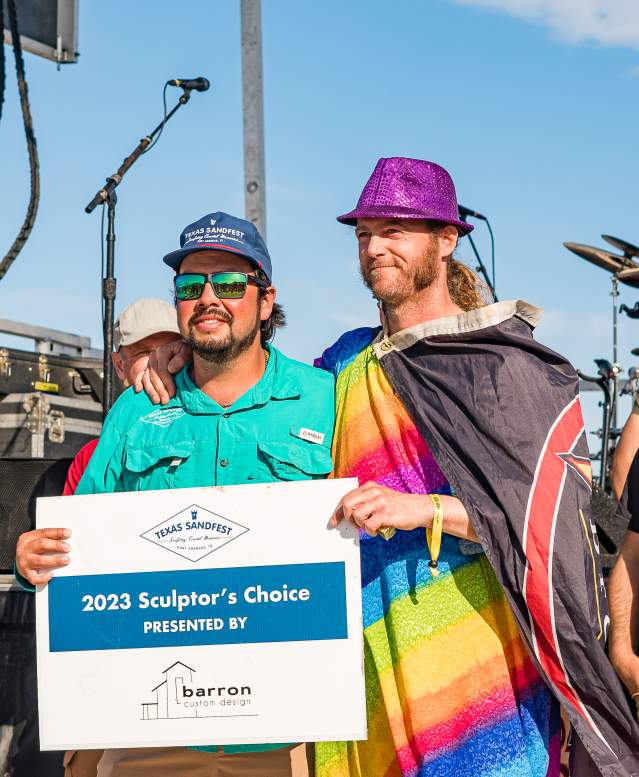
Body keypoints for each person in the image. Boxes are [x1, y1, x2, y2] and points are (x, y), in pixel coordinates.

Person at [139, 160, 639, 775]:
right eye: (363, 234)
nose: (375, 248)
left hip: (482, 679)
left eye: (396, 231)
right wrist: (182, 352)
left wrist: (425, 508)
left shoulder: (504, 367)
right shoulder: (346, 360)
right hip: (365, 671)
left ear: (447, 239)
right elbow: (258, 384)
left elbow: (561, 523)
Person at [15, 211, 334, 777]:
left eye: (230, 284)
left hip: (288, 736)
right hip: (144, 732)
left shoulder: (326, 399)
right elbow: (76, 543)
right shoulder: (135, 411)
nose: (208, 297)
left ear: (265, 300)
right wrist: (33, 558)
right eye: (191, 286)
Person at [63, 298, 182, 496]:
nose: (159, 360)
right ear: (119, 365)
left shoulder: (211, 429)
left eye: (171, 348)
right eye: (145, 352)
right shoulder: (89, 457)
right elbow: (70, 525)